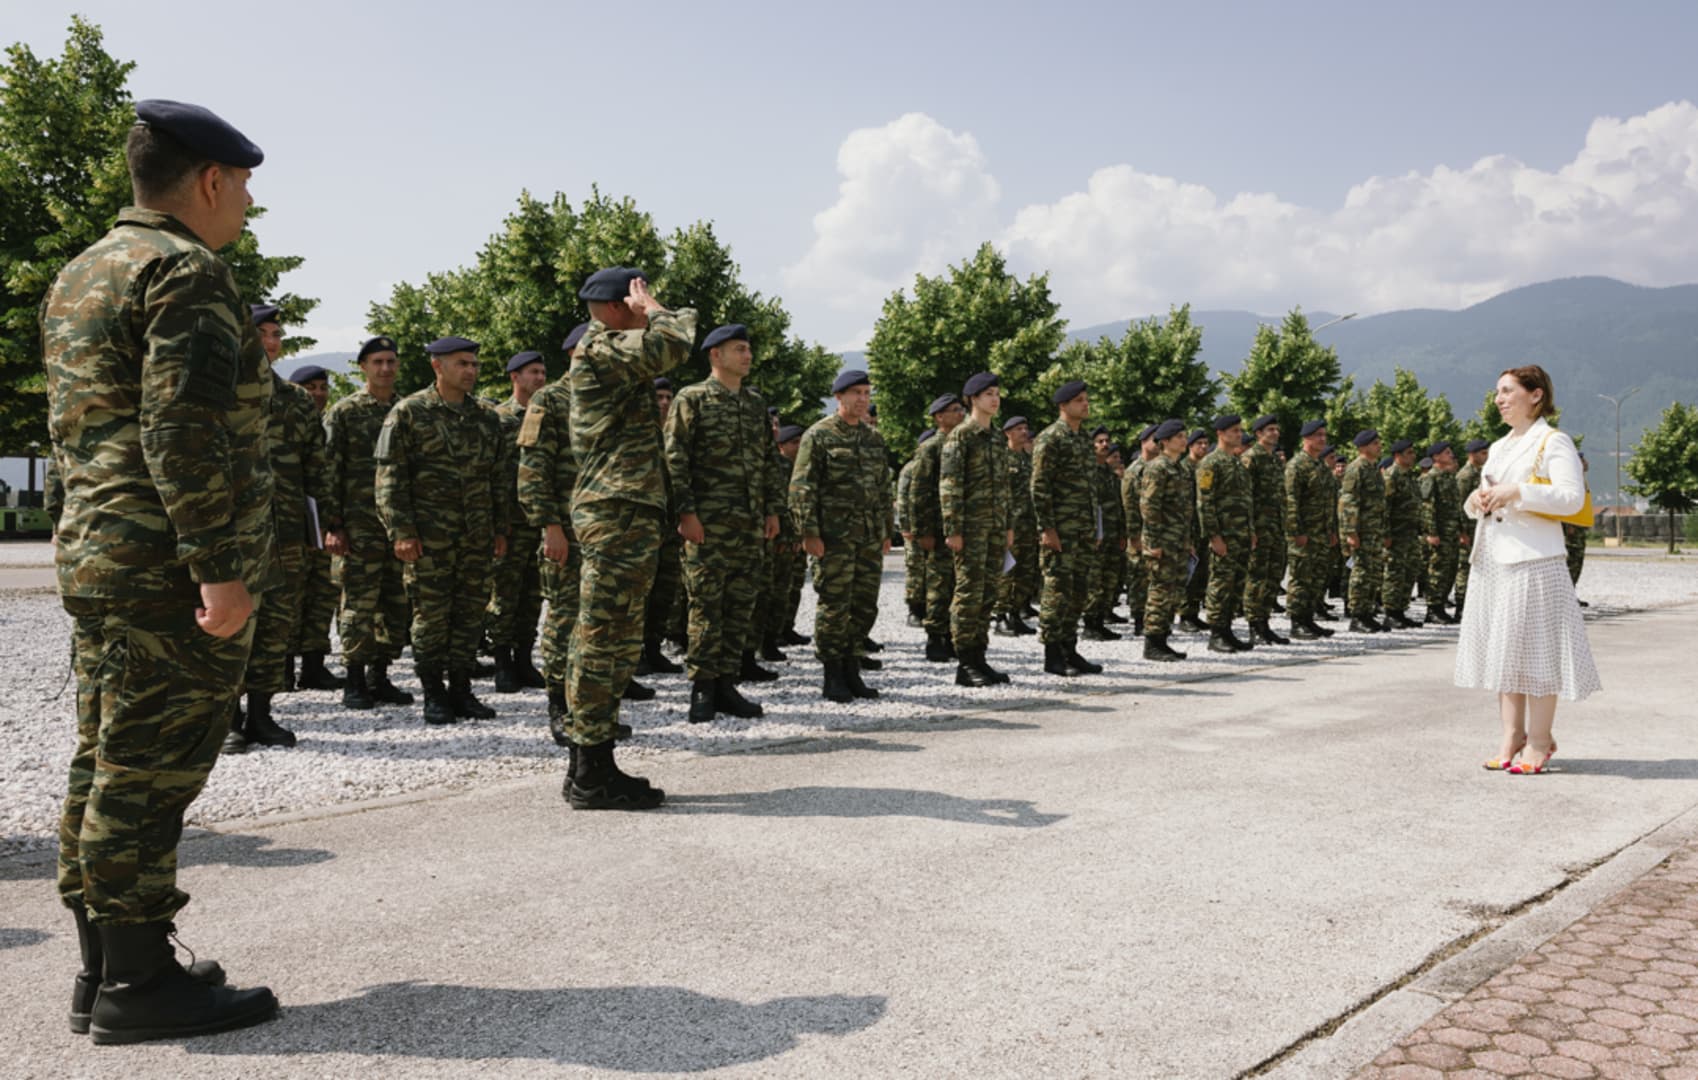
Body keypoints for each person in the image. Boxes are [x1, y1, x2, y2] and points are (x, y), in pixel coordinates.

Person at [42, 97, 278, 1044]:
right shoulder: (185, 272)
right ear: (211, 181)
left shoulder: (83, 270)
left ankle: (105, 971)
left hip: (102, 553)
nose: (251, 205)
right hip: (167, 567)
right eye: (247, 186)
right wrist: (220, 570)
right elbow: (181, 431)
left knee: (106, 760)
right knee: (147, 772)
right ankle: (139, 988)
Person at [560, 269, 694, 809]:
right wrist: (655, 308)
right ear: (618, 307)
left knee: (612, 638)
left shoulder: (611, 349)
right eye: (634, 303)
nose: (642, 312)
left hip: (624, 507)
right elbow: (676, 340)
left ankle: (591, 766)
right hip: (615, 508)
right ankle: (590, 771)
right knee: (603, 637)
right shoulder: (601, 347)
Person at [1456, 365, 1601, 773]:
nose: (1499, 399)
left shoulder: (1553, 441)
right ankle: (1510, 735)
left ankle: (1538, 740)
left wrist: (1518, 491)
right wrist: (1478, 499)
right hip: (1494, 558)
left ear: (1535, 395)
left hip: (1534, 560)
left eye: (1507, 391)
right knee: (1503, 653)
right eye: (1496, 393)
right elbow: (1488, 492)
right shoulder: (1500, 446)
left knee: (1536, 655)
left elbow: (1571, 500)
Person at [375, 336, 511, 724]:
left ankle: (462, 690)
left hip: (476, 535)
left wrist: (500, 528)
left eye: (473, 364)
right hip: (428, 538)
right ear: (438, 366)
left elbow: (499, 479)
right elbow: (390, 479)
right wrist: (401, 531)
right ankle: (434, 692)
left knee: (470, 613)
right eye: (461, 364)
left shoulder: (487, 417)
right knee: (431, 615)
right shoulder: (409, 413)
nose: (470, 370)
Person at [664, 324, 784, 723]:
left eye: (748, 349)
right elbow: (675, 458)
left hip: (748, 524)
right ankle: (702, 686)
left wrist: (771, 510)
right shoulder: (692, 399)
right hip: (707, 523)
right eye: (739, 349)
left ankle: (726, 683)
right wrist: (686, 512)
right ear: (715, 355)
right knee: (705, 605)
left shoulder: (753, 403)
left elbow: (768, 461)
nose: (747, 356)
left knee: (739, 606)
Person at [223, 302, 328, 753]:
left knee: (274, 627)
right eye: (262, 333)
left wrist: (324, 529)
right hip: (230, 532)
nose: (271, 342)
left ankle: (262, 714)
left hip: (285, 532)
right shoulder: (218, 394)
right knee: (231, 625)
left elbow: (316, 470)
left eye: (275, 334)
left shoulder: (295, 401)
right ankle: (228, 718)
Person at [322, 336, 414, 710]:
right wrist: (333, 524)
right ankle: (355, 679)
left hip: (395, 526)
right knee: (358, 604)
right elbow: (329, 470)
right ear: (363, 367)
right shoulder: (344, 412)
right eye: (377, 362)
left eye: (391, 361)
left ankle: (380, 675)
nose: (385, 369)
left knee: (395, 603)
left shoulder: (406, 410)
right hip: (357, 525)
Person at [790, 370, 891, 702]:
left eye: (866, 393)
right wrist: (808, 533)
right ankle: (832, 674)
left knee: (863, 605)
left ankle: (852, 669)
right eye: (856, 393)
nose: (863, 399)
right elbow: (802, 488)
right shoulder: (818, 436)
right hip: (833, 539)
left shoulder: (873, 438)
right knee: (835, 605)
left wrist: (884, 531)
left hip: (867, 538)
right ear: (839, 397)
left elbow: (881, 490)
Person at [517, 323, 590, 747]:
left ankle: (591, 709)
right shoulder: (549, 400)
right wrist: (550, 526)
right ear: (573, 353)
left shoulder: (606, 398)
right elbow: (531, 473)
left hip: (605, 534)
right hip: (567, 531)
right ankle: (559, 707)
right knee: (564, 620)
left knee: (599, 624)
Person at [941, 371, 1013, 686]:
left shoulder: (997, 438)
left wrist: (1008, 525)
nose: (995, 399)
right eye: (988, 395)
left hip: (994, 527)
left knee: (988, 593)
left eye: (997, 393)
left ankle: (979, 657)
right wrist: (953, 528)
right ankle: (965, 662)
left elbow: (1005, 486)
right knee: (968, 593)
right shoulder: (961, 436)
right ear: (973, 400)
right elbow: (950, 485)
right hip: (969, 529)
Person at [487, 351, 550, 693]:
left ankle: (524, 658)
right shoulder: (498, 419)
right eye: (532, 372)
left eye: (542, 372)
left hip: (539, 522)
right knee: (504, 595)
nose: (539, 378)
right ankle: (502, 662)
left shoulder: (548, 416)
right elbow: (491, 475)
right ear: (515, 377)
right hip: (510, 523)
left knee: (533, 595)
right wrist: (497, 524)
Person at [1031, 381, 1102, 677]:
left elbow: (1090, 489)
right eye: (1079, 401)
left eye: (1086, 399)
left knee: (1078, 590)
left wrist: (1095, 527)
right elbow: (1039, 486)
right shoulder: (1051, 438)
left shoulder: (1084, 439)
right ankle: (1052, 653)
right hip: (1060, 530)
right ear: (1063, 406)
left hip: (1082, 530)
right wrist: (1047, 528)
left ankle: (1069, 648)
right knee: (1057, 590)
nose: (1085, 405)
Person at [286, 363, 345, 693]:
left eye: (323, 387)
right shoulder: (288, 422)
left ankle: (313, 666)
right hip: (294, 524)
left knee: (322, 596)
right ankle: (282, 668)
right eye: (311, 387)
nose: (319, 394)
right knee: (290, 599)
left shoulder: (330, 425)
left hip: (324, 524)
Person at [910, 393, 966, 661]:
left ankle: (954, 635)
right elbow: (918, 492)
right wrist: (923, 531)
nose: (961, 414)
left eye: (961, 409)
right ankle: (935, 637)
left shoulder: (965, 444)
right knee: (938, 584)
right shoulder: (930, 448)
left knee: (959, 585)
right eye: (955, 410)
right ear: (939, 417)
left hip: (963, 528)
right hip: (938, 528)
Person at [639, 376, 687, 676]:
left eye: (668, 397)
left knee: (664, 591)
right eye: (658, 397)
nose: (664, 403)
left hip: (670, 526)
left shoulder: (678, 433)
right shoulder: (640, 433)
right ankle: (635, 654)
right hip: (643, 526)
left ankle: (654, 648)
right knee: (640, 593)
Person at [1196, 414, 1255, 653]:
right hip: (1224, 536)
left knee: (1236, 584)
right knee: (1220, 584)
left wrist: (1250, 531)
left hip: (1240, 535)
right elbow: (1205, 502)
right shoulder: (1210, 463)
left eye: (1240, 431)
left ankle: (1228, 629)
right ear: (1220, 434)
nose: (1238, 435)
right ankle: (1217, 633)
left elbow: (1246, 501)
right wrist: (1214, 536)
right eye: (1233, 431)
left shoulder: (1237, 463)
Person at [1140, 419, 1193, 660]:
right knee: (1160, 591)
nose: (1184, 440)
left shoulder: (1179, 468)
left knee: (1174, 592)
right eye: (1180, 436)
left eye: (1184, 436)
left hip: (1178, 540)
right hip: (1162, 541)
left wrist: (1187, 539)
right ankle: (1152, 643)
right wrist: (1153, 543)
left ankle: (1163, 638)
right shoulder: (1157, 468)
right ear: (1165, 442)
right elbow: (1149, 507)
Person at [1284, 420, 1337, 640]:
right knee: (1301, 578)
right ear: (1306, 439)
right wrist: (1297, 531)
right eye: (1317, 436)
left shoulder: (1321, 467)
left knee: (1316, 578)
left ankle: (1309, 619)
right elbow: (1291, 501)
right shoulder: (1297, 466)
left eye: (1324, 435)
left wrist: (1332, 530)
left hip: (1321, 533)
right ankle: (1297, 622)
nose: (1322, 439)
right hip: (1304, 534)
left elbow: (1330, 502)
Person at [1241, 415, 1289, 644]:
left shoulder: (1273, 460)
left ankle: (1265, 622)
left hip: (1275, 528)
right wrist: (1250, 529)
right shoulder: (1251, 459)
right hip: (1259, 529)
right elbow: (1244, 497)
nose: (1275, 433)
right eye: (1270, 429)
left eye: (1276, 429)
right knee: (1256, 578)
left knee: (1273, 577)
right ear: (1259, 433)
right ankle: (1254, 625)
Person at [993, 416, 1039, 637]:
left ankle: (1015, 614)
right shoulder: (1002, 459)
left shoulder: (1028, 460)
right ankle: (1000, 616)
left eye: (1025, 428)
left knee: (1025, 572)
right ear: (1007, 433)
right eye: (1019, 429)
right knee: (1007, 572)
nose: (1024, 432)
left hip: (1029, 525)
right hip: (1010, 526)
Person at [1339, 429, 1389, 633]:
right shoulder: (1356, 469)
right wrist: (1350, 532)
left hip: (1374, 530)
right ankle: (1357, 615)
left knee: (1373, 573)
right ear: (1364, 447)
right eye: (1375, 443)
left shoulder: (1372, 469)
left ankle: (1367, 612)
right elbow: (1348, 501)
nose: (1379, 446)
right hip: (1362, 531)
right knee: (1360, 573)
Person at [1083, 427, 1127, 640]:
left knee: (1109, 580)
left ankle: (1100, 620)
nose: (1104, 445)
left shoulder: (1110, 473)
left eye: (1106, 441)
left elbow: (1118, 506)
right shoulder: (1087, 471)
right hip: (1096, 535)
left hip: (1112, 533)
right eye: (1099, 441)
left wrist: (1121, 533)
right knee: (1095, 580)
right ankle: (1090, 624)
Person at [1380, 437, 1424, 628]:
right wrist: (1386, 534)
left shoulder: (1409, 476)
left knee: (1409, 571)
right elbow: (1384, 508)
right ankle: (1391, 612)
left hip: (1410, 533)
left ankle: (1401, 610)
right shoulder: (1391, 476)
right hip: (1396, 534)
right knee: (1395, 573)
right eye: (1409, 453)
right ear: (1398, 456)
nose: (1413, 456)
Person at [1121, 424, 1159, 636]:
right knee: (1139, 576)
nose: (1158, 443)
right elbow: (1129, 505)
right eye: (1154, 439)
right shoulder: (1135, 471)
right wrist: (1134, 534)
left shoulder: (1159, 467)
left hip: (1156, 533)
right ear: (1144, 442)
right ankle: (1138, 617)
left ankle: (1152, 618)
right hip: (1140, 533)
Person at [1419, 441, 1463, 624]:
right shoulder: (1432, 478)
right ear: (1436, 457)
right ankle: (1433, 609)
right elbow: (1428, 507)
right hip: (1439, 534)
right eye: (1446, 452)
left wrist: (1461, 530)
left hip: (1451, 533)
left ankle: (1441, 605)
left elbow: (1456, 508)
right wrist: (1431, 532)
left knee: (1449, 570)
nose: (1451, 454)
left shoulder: (1449, 477)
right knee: (1436, 570)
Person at [1177, 429, 1213, 633]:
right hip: (1189, 526)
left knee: (1202, 573)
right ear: (1190, 446)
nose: (1204, 447)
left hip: (1202, 527)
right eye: (1199, 443)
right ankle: (1184, 615)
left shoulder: (1205, 468)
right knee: (1188, 573)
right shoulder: (1184, 468)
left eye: (1206, 443)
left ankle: (1194, 613)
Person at [897, 430, 931, 626]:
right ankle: (915, 609)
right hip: (914, 529)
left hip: (932, 528)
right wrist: (906, 526)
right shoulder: (910, 469)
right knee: (916, 569)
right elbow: (902, 500)